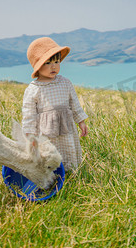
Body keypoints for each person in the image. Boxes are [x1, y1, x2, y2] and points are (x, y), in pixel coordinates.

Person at [22, 37, 89, 172]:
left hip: (66, 128)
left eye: (57, 62)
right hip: (46, 132)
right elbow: (29, 114)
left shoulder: (65, 83)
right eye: (47, 63)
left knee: (68, 149)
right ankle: (52, 174)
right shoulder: (33, 89)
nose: (53, 66)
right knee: (49, 154)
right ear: (38, 66)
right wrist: (30, 135)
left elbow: (74, 103)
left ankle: (70, 172)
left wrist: (81, 121)